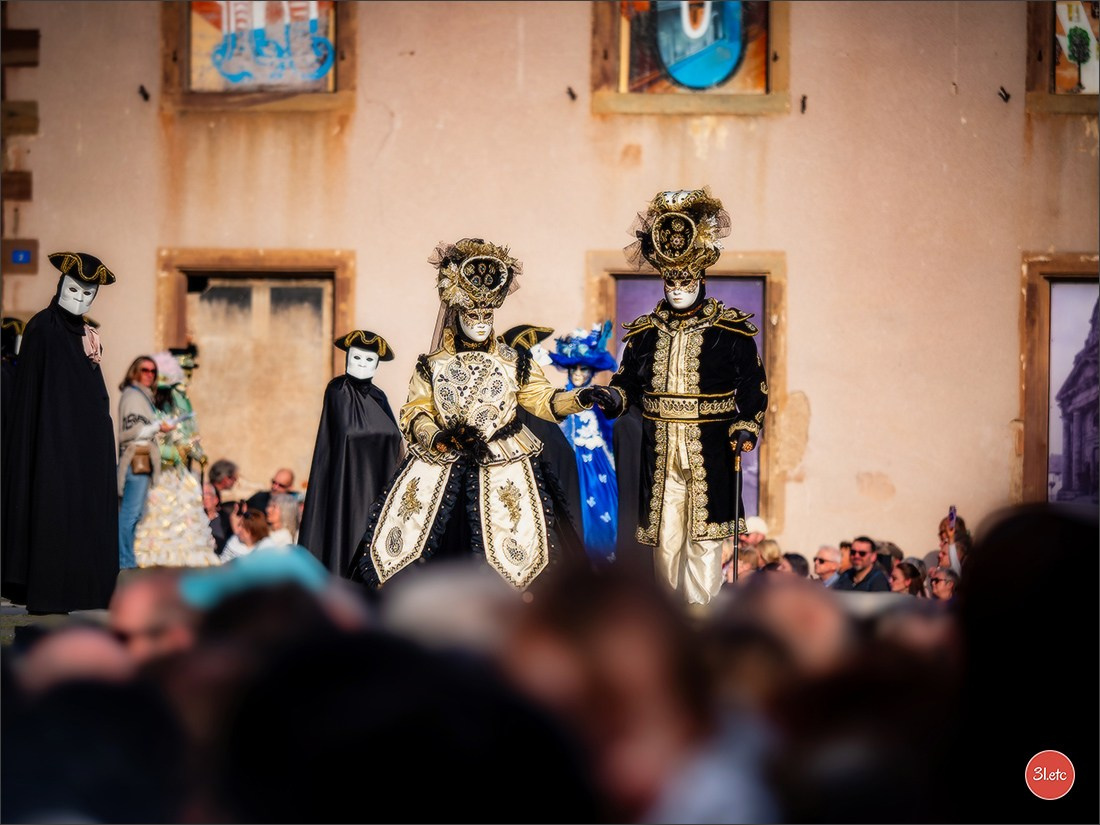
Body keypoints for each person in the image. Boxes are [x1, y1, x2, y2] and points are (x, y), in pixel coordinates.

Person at [354, 238, 609, 591]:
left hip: (505, 464)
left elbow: (545, 401)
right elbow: (415, 413)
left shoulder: (514, 360)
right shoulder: (433, 365)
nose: (480, 323)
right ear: (458, 313)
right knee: (417, 548)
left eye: (486, 315)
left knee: (523, 552)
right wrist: (439, 437)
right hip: (441, 467)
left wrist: (582, 397)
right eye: (472, 315)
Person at [603, 189, 769, 608]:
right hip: (659, 449)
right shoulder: (643, 334)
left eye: (686, 281)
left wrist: (747, 423)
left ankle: (701, 614)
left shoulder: (731, 332)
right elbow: (628, 384)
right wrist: (609, 397)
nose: (677, 289)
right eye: (671, 281)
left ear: (700, 278)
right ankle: (669, 614)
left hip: (709, 448)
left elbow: (753, 384)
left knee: (704, 536)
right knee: (665, 537)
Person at [1, 252, 120, 613]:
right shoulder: (42, 328)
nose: (79, 298)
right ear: (60, 285)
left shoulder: (84, 333)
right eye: (74, 289)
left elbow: (88, 391)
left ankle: (82, 590)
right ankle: (49, 592)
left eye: (89, 294)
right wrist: (49, 444)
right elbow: (37, 396)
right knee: (53, 512)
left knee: (83, 515)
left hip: (85, 447)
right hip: (52, 443)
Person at [298, 329, 403, 577]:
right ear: (347, 358)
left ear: (377, 364)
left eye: (369, 360)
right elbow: (349, 432)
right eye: (356, 358)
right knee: (343, 538)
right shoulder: (338, 391)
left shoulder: (379, 397)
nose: (362, 365)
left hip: (377, 484)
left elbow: (393, 437)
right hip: (345, 484)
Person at [131, 351, 220, 568]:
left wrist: (193, 450)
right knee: (158, 520)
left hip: (176, 475)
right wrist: (172, 451)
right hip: (158, 475)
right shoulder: (146, 408)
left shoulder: (177, 406)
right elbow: (143, 440)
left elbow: (183, 435)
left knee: (184, 520)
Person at [549, 321, 619, 563]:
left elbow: (608, 430)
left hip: (597, 463)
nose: (578, 374)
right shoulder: (559, 399)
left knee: (602, 510)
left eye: (584, 370)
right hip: (570, 461)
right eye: (574, 370)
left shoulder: (598, 401)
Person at [117, 355, 177, 570]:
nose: (149, 375)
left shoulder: (142, 396)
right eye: (145, 370)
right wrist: (158, 427)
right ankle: (124, 560)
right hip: (136, 459)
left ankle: (126, 558)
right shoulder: (133, 396)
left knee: (134, 514)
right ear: (135, 371)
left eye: (153, 371)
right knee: (130, 514)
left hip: (140, 459)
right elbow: (131, 432)